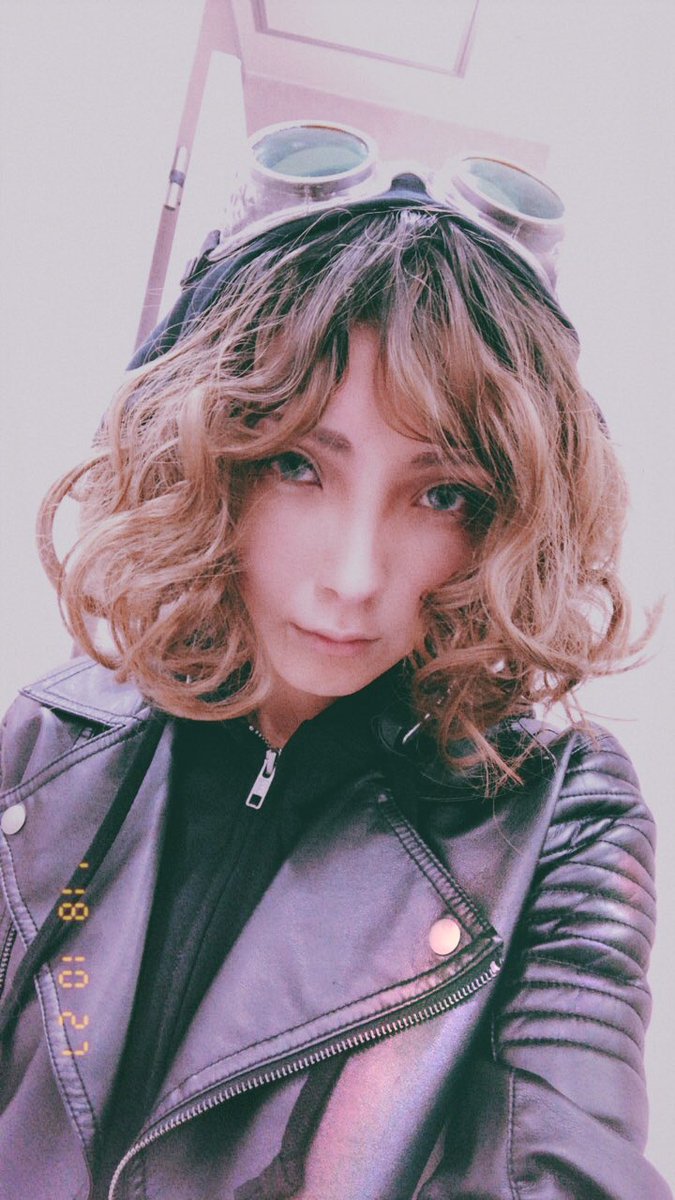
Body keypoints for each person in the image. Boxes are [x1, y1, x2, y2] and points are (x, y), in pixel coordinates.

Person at [0, 132, 670, 1200]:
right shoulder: (47, 743)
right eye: (295, 464)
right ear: (207, 454)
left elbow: (561, 1156)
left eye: (440, 494)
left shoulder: (560, 819)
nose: (354, 579)